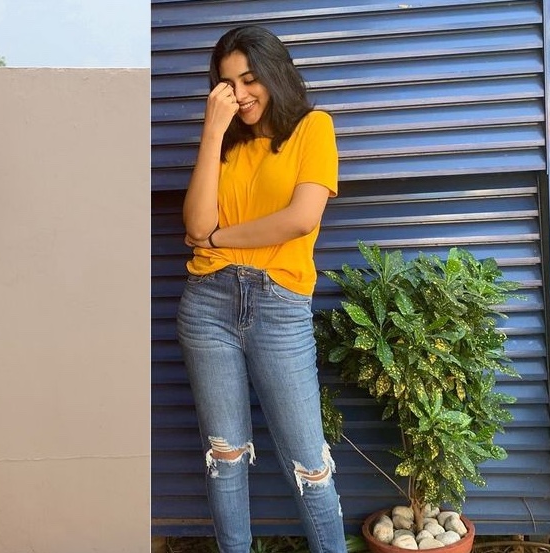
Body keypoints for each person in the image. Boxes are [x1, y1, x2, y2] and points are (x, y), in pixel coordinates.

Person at [175, 25, 346, 553]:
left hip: (279, 304)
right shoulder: (224, 147)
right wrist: (211, 130)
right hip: (207, 305)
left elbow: (299, 219)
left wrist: (220, 237)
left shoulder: (313, 128)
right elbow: (193, 221)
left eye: (250, 79)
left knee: (309, 462)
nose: (241, 94)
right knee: (224, 457)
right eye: (227, 84)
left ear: (276, 73)